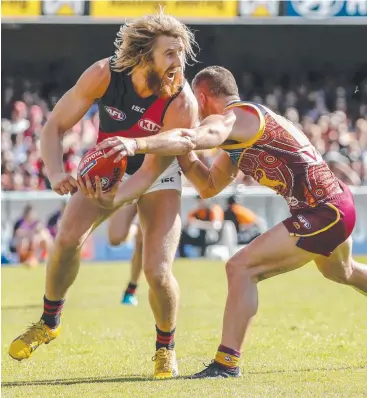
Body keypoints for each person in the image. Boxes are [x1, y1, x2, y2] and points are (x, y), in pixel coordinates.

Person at [101, 65, 367, 379]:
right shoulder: (243, 130)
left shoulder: (234, 116)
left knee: (240, 268)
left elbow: (199, 135)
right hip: (333, 206)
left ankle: (226, 364)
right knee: (342, 271)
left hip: (323, 211)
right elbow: (209, 185)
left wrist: (139, 143)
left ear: (202, 96)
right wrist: (181, 156)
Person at [9, 11, 199, 380]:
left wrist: (115, 199)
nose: (179, 62)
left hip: (156, 173)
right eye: (170, 54)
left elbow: (147, 173)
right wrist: (55, 172)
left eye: (181, 53)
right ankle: (49, 322)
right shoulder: (103, 74)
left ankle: (165, 348)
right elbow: (54, 127)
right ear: (145, 55)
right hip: (109, 168)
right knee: (65, 239)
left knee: (157, 271)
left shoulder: (182, 101)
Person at [108, 205, 143, 306]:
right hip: (128, 191)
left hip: (153, 192)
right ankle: (135, 227)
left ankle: (131, 289)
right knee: (115, 238)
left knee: (141, 243)